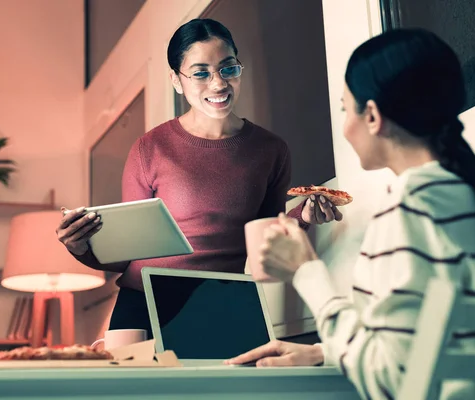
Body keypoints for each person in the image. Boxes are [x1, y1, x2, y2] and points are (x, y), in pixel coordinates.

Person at [226, 28, 475, 399]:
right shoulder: (463, 195)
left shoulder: (410, 206)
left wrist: (306, 271)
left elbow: (390, 381)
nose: (345, 127)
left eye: (345, 109)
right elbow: (427, 349)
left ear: (371, 115)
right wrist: (323, 353)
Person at [56, 18, 342, 337]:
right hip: (144, 301)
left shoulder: (270, 150)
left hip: (226, 299)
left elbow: (264, 236)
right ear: (177, 81)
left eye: (227, 68)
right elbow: (127, 253)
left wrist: (301, 216)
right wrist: (79, 247)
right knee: (132, 388)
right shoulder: (149, 148)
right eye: (201, 73)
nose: (218, 84)